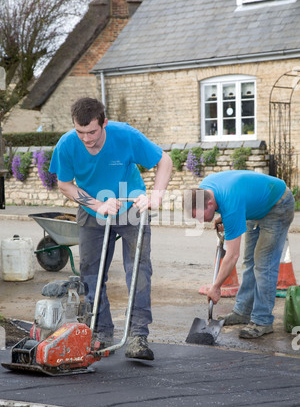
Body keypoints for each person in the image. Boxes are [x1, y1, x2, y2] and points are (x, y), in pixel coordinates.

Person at [49, 97, 173, 360]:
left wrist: (155, 197)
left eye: (92, 131)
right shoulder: (67, 144)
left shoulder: (125, 135)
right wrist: (97, 205)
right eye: (80, 132)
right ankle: (101, 332)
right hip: (94, 209)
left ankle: (138, 336)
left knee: (138, 270)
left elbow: (164, 161)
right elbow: (65, 184)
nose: (87, 138)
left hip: (130, 204)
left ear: (104, 123)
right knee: (90, 274)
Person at [185, 170, 295, 338]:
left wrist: (216, 287)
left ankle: (262, 320)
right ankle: (243, 311)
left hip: (278, 204)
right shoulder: (205, 190)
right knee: (249, 261)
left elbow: (231, 256)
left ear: (208, 204)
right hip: (255, 207)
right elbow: (228, 200)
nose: (200, 221)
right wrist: (225, 215)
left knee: (263, 264)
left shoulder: (231, 204)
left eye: (199, 216)